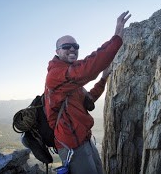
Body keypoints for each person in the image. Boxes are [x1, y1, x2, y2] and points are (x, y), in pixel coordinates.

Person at [44, 11, 131, 174]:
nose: (72, 49)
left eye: (75, 46)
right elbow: (87, 69)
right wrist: (116, 39)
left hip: (84, 139)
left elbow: (88, 101)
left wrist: (103, 79)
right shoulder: (55, 75)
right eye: (66, 47)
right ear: (57, 51)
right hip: (71, 144)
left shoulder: (71, 80)